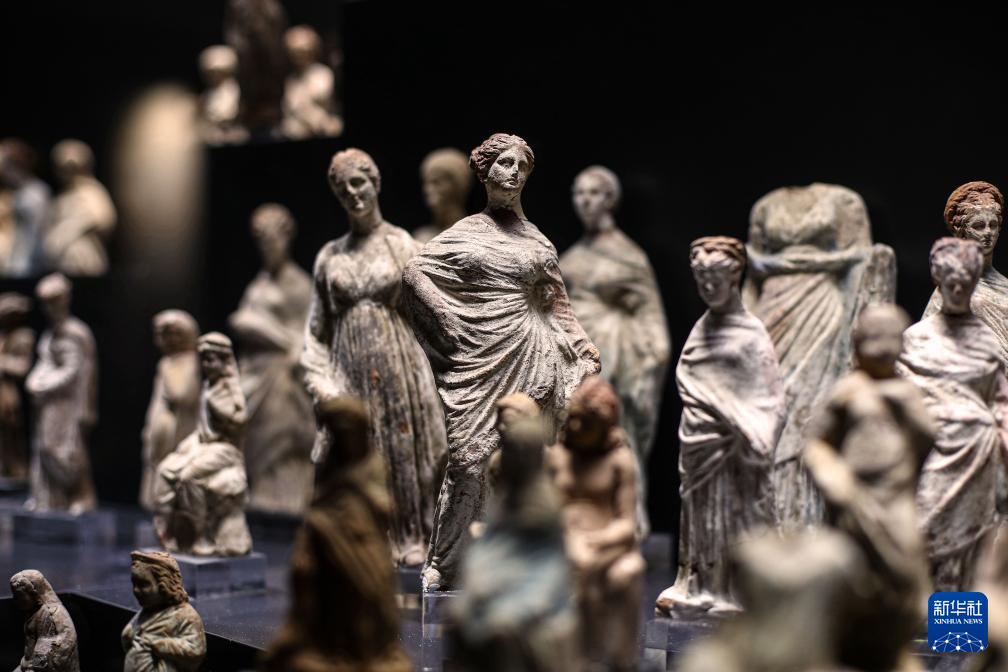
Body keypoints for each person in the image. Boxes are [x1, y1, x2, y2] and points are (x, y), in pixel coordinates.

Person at [402, 132, 600, 590]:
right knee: (468, 460)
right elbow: (415, 271)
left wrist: (584, 347)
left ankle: (520, 558)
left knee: (525, 461)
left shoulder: (538, 241)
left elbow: (558, 306)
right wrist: (445, 319)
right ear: (484, 169)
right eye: (506, 163)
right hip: (479, 354)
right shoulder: (467, 231)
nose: (514, 172)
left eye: (522, 166)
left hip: (532, 354)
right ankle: (447, 560)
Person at [301, 148, 447, 567]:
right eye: (342, 188)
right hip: (348, 373)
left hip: (401, 370)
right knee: (355, 454)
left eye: (358, 182)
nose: (352, 193)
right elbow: (315, 333)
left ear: (375, 183)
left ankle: (410, 533)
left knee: (401, 452)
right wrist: (320, 382)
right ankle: (361, 538)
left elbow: (436, 314)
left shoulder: (403, 245)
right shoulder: (330, 256)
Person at [743, 183, 896, 527]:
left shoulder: (844, 201)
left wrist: (854, 334)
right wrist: (744, 327)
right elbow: (751, 273)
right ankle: (767, 520)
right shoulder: (766, 205)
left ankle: (808, 519)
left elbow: (862, 261)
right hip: (772, 310)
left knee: (812, 408)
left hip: (823, 308)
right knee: (769, 412)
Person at [656, 236, 784, 617]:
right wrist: (715, 409)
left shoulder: (752, 333)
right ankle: (698, 586)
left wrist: (751, 428)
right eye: (701, 281)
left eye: (715, 280)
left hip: (738, 446)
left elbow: (771, 397)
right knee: (701, 515)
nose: (708, 288)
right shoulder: (701, 329)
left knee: (737, 514)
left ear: (734, 277)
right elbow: (688, 377)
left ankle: (735, 591)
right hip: (699, 441)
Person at [805, 304, 933, 670]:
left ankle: (893, 643)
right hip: (855, 498)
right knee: (852, 572)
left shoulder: (906, 392)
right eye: (873, 338)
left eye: (890, 338)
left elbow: (928, 438)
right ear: (858, 342)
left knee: (905, 568)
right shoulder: (848, 390)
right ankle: (849, 645)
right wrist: (831, 474)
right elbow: (815, 443)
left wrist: (906, 407)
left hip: (895, 498)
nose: (881, 347)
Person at [261, 396, 412, 672]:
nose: (341, 440)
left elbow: (382, 507)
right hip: (326, 537)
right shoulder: (330, 463)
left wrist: (349, 505)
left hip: (362, 544)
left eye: (344, 432)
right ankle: (328, 643)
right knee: (315, 584)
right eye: (336, 432)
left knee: (364, 592)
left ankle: (363, 649)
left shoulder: (372, 466)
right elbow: (320, 501)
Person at [559, 165, 670, 536]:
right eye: (579, 193)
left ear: (610, 199)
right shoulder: (572, 255)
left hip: (616, 354)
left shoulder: (629, 256)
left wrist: (654, 356)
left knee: (615, 429)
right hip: (574, 353)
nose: (585, 201)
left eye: (593, 193)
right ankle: (580, 513)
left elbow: (649, 312)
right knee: (574, 428)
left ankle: (625, 514)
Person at [897, 237, 1008, 591]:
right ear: (939, 280)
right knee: (928, 538)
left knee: (972, 549)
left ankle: (959, 624)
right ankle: (924, 616)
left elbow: (1000, 398)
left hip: (978, 453)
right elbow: (900, 398)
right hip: (929, 451)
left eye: (966, 283)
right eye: (952, 282)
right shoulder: (915, 340)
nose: (959, 290)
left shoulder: (987, 341)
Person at [547, 377, 643, 672]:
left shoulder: (620, 461)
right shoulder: (558, 458)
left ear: (604, 424)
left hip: (607, 545)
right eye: (572, 419)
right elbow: (546, 510)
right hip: (562, 539)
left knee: (623, 573)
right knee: (577, 565)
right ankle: (576, 658)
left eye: (585, 422)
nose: (575, 427)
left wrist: (594, 540)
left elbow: (627, 524)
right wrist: (568, 536)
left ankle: (616, 658)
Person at [229, 204, 313, 514]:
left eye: (273, 240)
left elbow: (309, 332)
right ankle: (261, 489)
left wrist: (280, 341)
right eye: (262, 243)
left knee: (280, 434)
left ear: (286, 240)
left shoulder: (299, 283)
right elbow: (240, 320)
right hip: (255, 370)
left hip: (283, 375)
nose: (268, 248)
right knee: (248, 430)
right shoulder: (259, 284)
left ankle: (283, 496)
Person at [154, 332, 251, 556]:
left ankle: (201, 534)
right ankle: (166, 529)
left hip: (226, 449)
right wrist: (187, 445)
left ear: (224, 361)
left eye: (211, 360)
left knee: (188, 477)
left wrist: (218, 406)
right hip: (202, 443)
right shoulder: (208, 385)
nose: (206, 365)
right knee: (166, 468)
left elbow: (239, 420)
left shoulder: (229, 388)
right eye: (204, 360)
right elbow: (202, 428)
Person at [25, 273, 98, 514]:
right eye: (46, 303)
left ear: (65, 300)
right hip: (49, 403)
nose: (49, 308)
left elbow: (75, 371)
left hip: (68, 403)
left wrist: (43, 385)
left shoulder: (75, 332)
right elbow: (45, 362)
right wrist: (35, 379)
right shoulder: (51, 333)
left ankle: (81, 496)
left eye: (54, 301)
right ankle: (49, 499)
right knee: (44, 447)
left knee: (66, 450)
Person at [923, 181, 1008, 367]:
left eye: (993, 225)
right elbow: (929, 341)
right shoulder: (954, 289)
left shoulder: (1005, 285)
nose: (988, 233)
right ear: (961, 232)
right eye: (979, 226)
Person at [140, 311, 200, 511]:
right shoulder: (167, 362)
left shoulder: (188, 361)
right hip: (162, 431)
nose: (167, 341)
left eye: (174, 334)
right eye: (163, 335)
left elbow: (182, 394)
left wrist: (169, 372)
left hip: (180, 428)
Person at [122, 551, 206, 672]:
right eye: (134, 584)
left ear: (163, 586)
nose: (136, 590)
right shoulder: (148, 610)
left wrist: (158, 644)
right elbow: (129, 635)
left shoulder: (186, 615)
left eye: (143, 585)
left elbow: (196, 649)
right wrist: (128, 635)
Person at [44, 140, 116, 276]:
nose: (67, 173)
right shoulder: (62, 197)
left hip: (85, 257)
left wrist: (68, 230)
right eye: (63, 169)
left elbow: (102, 217)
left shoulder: (91, 190)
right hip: (63, 261)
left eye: (71, 168)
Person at [11, 569, 80, 672]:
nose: (15, 600)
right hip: (29, 663)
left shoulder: (49, 615)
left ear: (34, 594)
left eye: (20, 596)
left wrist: (32, 668)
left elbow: (48, 649)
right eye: (15, 596)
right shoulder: (33, 611)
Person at [413, 148, 472, 244]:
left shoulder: (473, 234)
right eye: (426, 183)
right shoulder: (421, 237)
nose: (427, 190)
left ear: (456, 186)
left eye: (436, 182)